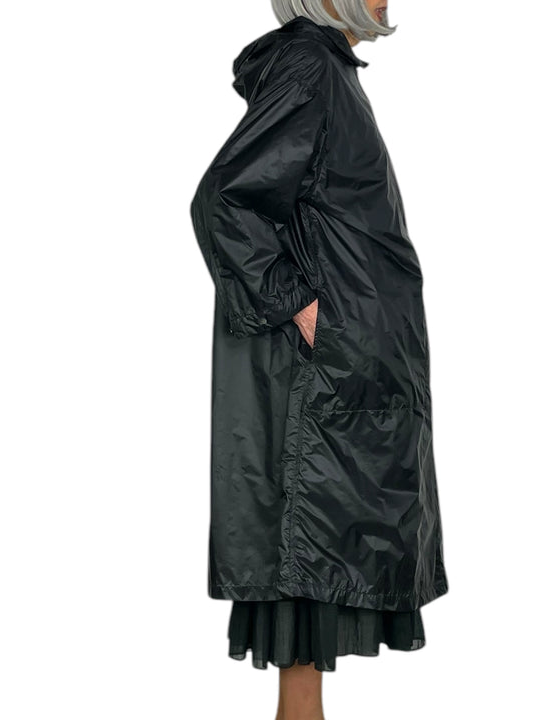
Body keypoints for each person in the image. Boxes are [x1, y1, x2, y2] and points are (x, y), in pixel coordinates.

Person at [189, 1, 449, 717]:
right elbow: (225, 201)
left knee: (318, 584)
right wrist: (300, 307)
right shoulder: (309, 65)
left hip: (349, 369)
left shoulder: (329, 70)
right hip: (321, 378)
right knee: (308, 574)